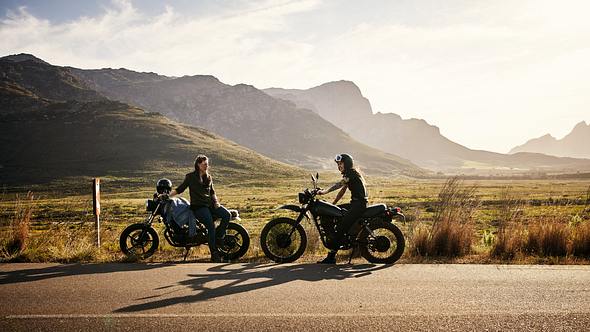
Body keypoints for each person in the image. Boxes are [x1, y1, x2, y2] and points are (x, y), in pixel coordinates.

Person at [166, 155, 230, 263]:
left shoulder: (208, 177)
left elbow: (212, 192)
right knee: (210, 226)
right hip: (198, 207)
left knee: (227, 214)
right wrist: (168, 196)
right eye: (204, 164)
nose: (206, 166)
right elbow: (180, 189)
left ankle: (218, 236)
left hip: (210, 205)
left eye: (207, 164)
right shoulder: (190, 177)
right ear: (198, 165)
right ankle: (214, 254)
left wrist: (216, 202)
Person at [316, 153, 368, 264]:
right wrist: (333, 204)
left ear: (347, 163)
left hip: (358, 205)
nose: (339, 166)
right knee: (334, 213)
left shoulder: (351, 173)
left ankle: (331, 257)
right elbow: (343, 190)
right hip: (355, 204)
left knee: (341, 228)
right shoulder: (350, 174)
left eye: (341, 163)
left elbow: (339, 185)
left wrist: (324, 192)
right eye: (338, 164)